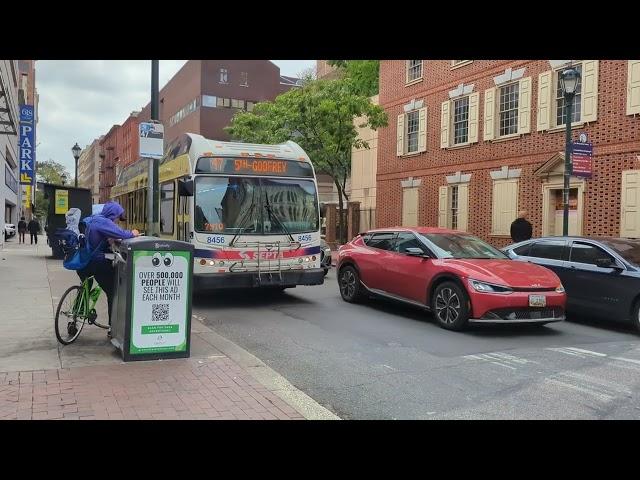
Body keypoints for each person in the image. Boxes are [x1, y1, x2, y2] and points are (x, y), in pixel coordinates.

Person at [77, 201, 139, 333]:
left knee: (85, 286)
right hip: (96, 263)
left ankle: (76, 317)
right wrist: (133, 233)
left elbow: (94, 239)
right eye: (117, 218)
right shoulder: (105, 222)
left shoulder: (90, 219)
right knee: (112, 291)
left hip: (81, 263)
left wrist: (107, 240)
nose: (117, 221)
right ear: (113, 214)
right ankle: (112, 328)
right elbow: (123, 234)